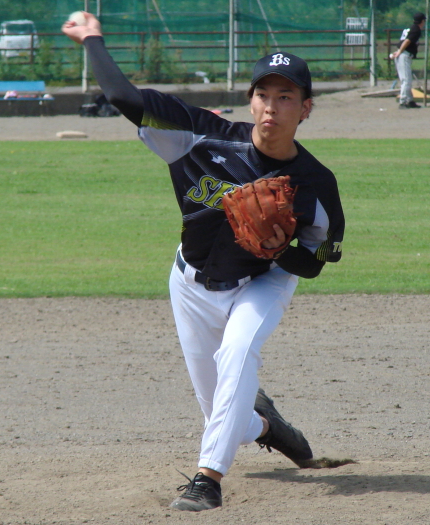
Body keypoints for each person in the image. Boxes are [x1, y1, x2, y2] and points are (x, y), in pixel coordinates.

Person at [63, 13, 345, 512]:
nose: (272, 106)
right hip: (189, 284)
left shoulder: (316, 183)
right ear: (250, 101)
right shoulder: (199, 134)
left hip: (262, 282)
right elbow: (124, 98)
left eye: (286, 97)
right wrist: (92, 38)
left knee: (238, 354)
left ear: (306, 109)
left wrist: (280, 250)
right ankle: (268, 427)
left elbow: (315, 262)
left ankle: (206, 480)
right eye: (264, 94)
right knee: (225, 413)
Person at [392, 12, 426, 109]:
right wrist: (400, 51)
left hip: (404, 55)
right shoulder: (416, 29)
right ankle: (403, 102)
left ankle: (410, 101)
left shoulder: (412, 28)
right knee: (406, 80)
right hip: (404, 55)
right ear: (422, 21)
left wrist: (399, 51)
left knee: (407, 80)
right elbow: (407, 41)